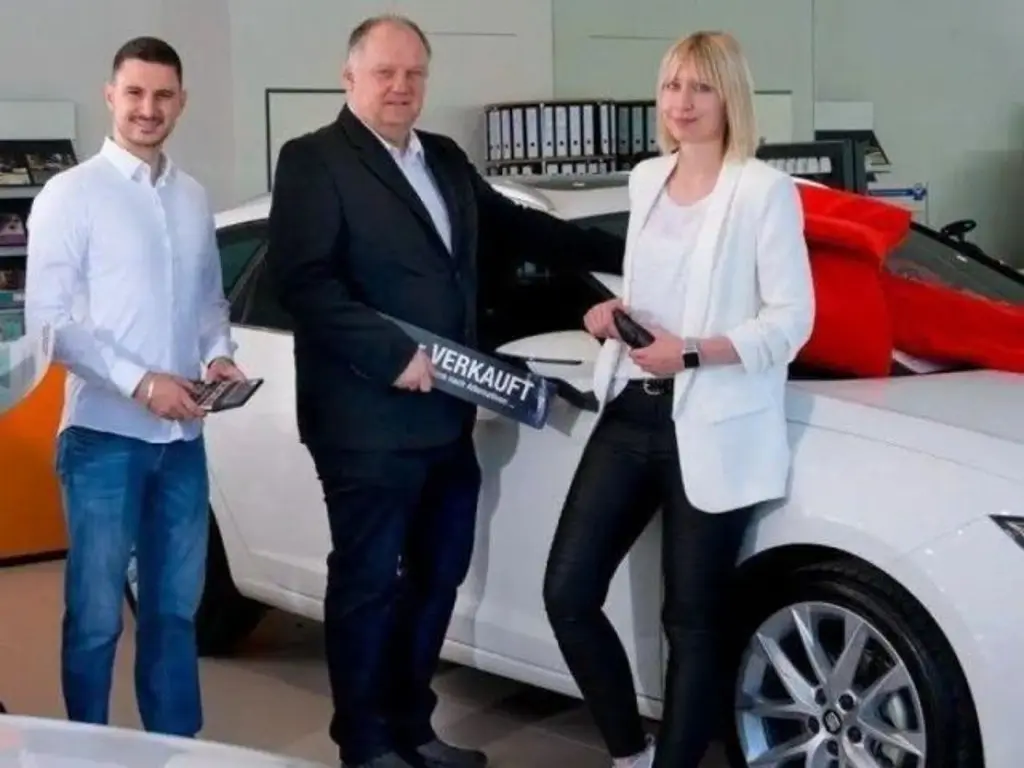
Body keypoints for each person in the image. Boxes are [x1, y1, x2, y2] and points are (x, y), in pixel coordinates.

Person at [264, 14, 623, 768]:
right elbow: (303, 282)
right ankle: (365, 745)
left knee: (437, 579)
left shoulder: (446, 159)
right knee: (368, 584)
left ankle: (412, 728)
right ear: (349, 77)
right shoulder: (312, 160)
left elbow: (523, 230)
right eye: (385, 73)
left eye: (414, 74)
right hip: (365, 419)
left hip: (446, 416)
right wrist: (391, 353)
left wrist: (641, 245)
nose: (401, 87)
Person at [542, 31, 815, 768]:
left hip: (715, 419)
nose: (682, 102)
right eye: (671, 86)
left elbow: (791, 321)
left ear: (730, 97)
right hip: (631, 408)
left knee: (691, 623)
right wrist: (613, 314)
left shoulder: (763, 191)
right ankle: (629, 754)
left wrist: (690, 350)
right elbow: (660, 290)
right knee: (568, 592)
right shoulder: (646, 179)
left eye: (700, 87)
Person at [24, 37, 244, 737]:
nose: (149, 108)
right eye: (135, 93)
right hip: (102, 439)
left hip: (183, 441)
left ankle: (174, 749)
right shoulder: (71, 194)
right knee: (94, 618)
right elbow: (50, 322)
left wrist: (219, 356)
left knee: (174, 613)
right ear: (110, 96)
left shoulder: (192, 197)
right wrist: (142, 383)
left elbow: (209, 303)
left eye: (163, 95)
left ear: (182, 102)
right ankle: (85, 747)